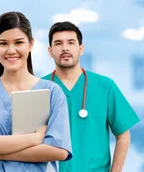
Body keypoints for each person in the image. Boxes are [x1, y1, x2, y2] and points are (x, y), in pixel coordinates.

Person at [0, 12, 73, 172]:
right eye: (3, 43)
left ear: (30, 44)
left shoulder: (52, 92)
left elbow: (58, 150)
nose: (11, 50)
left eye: (18, 42)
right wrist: (36, 138)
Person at [42, 21, 141, 172]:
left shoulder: (105, 86)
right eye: (58, 43)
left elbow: (123, 134)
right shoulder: (39, 88)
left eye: (71, 42)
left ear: (80, 49)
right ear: (50, 51)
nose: (65, 48)